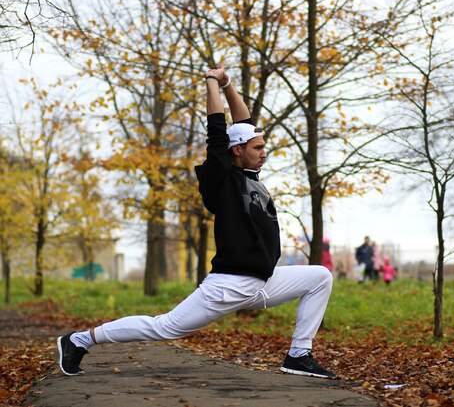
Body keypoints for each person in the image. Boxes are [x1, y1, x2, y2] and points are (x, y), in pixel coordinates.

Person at [57, 64, 336, 380]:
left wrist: (229, 84)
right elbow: (218, 129)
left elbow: (244, 123)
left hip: (263, 281)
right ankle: (78, 340)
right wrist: (211, 83)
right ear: (236, 151)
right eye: (258, 148)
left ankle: (299, 355)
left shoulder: (249, 174)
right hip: (230, 284)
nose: (264, 154)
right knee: (164, 327)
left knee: (319, 277)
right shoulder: (221, 177)